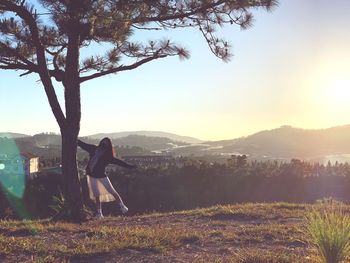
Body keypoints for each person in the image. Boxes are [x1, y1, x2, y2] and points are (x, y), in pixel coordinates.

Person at [78, 137, 136, 219]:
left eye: (105, 143)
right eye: (103, 142)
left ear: (108, 146)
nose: (103, 144)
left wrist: (130, 166)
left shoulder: (108, 156)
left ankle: (122, 206)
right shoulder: (93, 149)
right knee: (97, 194)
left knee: (112, 191)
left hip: (102, 176)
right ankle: (99, 213)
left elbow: (119, 162)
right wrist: (75, 139)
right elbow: (83, 145)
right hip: (92, 175)